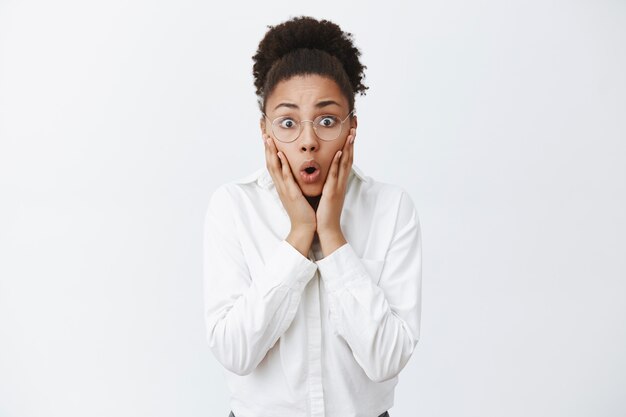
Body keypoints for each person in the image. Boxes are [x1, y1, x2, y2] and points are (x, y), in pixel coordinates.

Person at [203, 16, 422, 417]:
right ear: (265, 132)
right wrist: (301, 234)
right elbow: (235, 351)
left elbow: (387, 359)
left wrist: (333, 236)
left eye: (326, 120)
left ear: (351, 127)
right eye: (288, 122)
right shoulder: (234, 206)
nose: (308, 142)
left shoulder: (391, 208)